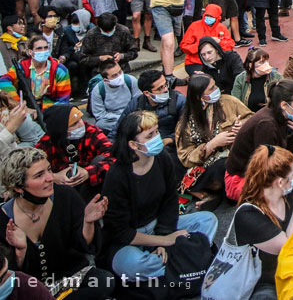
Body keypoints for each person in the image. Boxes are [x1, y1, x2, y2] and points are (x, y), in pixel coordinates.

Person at [100, 111, 218, 285]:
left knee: (208, 220)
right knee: (134, 266)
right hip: (130, 239)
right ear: (133, 144)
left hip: (160, 225)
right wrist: (163, 241)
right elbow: (120, 231)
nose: (157, 137)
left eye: (156, 132)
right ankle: (187, 262)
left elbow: (170, 200)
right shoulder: (117, 176)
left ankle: (172, 265)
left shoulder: (162, 159)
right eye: (150, 135)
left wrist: (164, 236)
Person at [0, 147, 116, 298]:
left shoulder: (65, 195)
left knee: (104, 281)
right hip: (31, 288)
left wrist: (88, 222)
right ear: (18, 187)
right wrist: (21, 252)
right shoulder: (3, 219)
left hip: (69, 277)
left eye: (49, 170)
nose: (50, 178)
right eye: (39, 175)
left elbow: (83, 248)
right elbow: (9, 276)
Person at [233, 143, 293, 298]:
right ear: (280, 182)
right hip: (265, 280)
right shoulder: (248, 215)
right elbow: (292, 246)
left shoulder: (287, 195)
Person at [225, 79, 293, 202]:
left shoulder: (282, 116)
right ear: (284, 105)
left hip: (263, 171)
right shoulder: (266, 124)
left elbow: (286, 149)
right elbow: (267, 166)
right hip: (241, 178)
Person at [175, 74, 252, 210]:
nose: (217, 89)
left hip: (235, 156)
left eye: (215, 85)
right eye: (212, 88)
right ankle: (210, 193)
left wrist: (243, 126)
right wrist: (212, 145)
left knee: (231, 164)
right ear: (200, 96)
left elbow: (252, 118)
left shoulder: (228, 102)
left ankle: (210, 195)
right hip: (208, 166)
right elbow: (185, 157)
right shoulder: (185, 123)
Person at [35, 104, 114, 200]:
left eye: (81, 119)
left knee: (101, 160)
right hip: (62, 191)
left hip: (91, 186)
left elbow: (114, 156)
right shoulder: (47, 143)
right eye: (74, 124)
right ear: (61, 130)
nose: (81, 124)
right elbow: (30, 170)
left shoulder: (91, 132)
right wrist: (53, 177)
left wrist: (88, 172)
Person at [0, 35, 70, 109]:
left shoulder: (60, 70)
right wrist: (19, 105)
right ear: (30, 52)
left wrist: (48, 112)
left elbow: (63, 100)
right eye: (39, 48)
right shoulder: (21, 67)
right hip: (26, 108)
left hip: (52, 109)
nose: (43, 51)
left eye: (46, 48)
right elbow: (3, 82)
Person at [179, 3, 235, 75]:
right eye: (207, 15)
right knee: (203, 79)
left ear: (217, 18)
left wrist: (219, 42)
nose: (208, 18)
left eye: (211, 16)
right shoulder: (194, 26)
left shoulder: (221, 28)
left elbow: (230, 45)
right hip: (195, 62)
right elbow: (184, 45)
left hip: (216, 61)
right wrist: (200, 46)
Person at [90, 59, 140, 135]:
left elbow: (139, 102)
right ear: (106, 80)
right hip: (112, 120)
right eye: (114, 76)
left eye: (120, 72)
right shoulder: (98, 90)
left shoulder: (131, 80)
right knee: (100, 125)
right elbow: (99, 115)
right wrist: (119, 120)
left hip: (132, 116)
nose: (119, 76)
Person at [231, 47, 282, 111]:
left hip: (270, 116)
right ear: (251, 65)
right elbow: (235, 103)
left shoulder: (276, 77)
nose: (266, 65)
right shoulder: (240, 79)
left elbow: (283, 98)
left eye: (267, 61)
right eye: (261, 62)